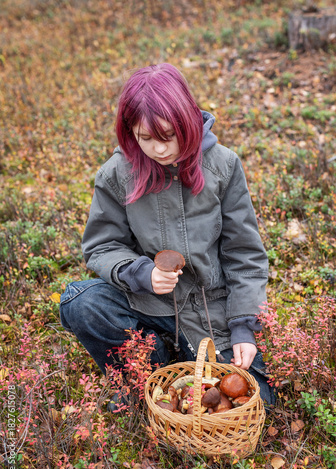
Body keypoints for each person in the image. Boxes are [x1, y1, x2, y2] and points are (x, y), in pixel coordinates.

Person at [60, 63, 275, 407]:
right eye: (146, 138)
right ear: (130, 131)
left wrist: (242, 326)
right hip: (149, 302)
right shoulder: (117, 173)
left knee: (257, 400)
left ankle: (176, 371)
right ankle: (150, 369)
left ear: (187, 121)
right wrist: (141, 273)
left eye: (167, 136)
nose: (159, 150)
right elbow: (102, 245)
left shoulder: (223, 165)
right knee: (82, 303)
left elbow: (245, 254)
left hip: (210, 311)